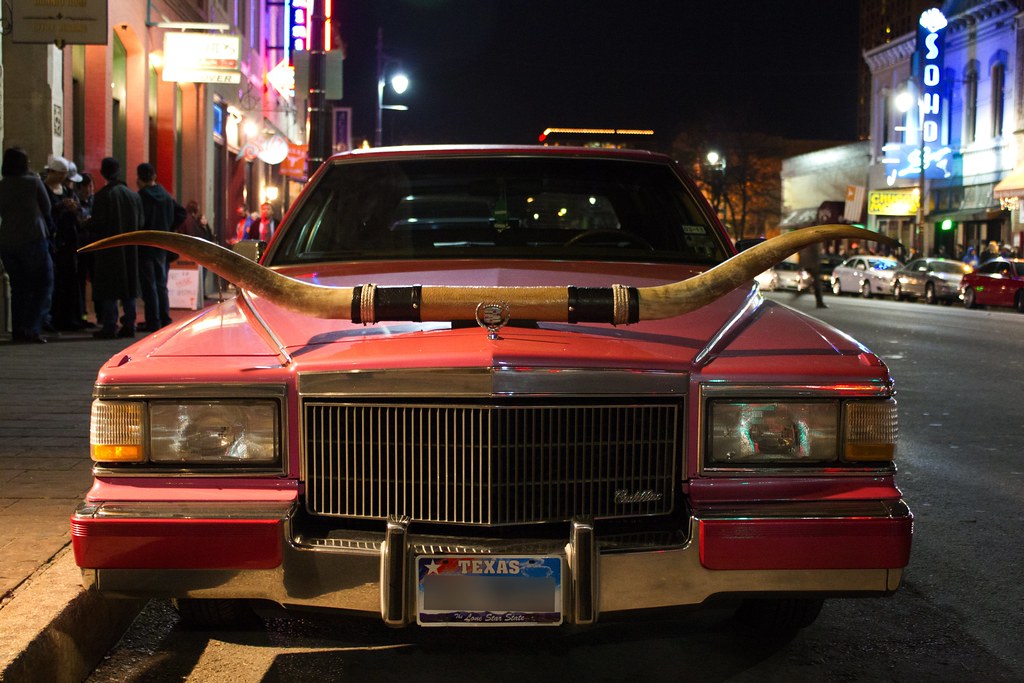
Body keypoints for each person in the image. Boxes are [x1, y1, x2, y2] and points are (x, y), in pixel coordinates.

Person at [0, 147, 54, 343]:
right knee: (43, 282)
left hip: (7, 241)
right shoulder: (33, 182)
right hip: (33, 238)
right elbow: (47, 207)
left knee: (18, 287)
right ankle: (32, 328)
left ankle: (18, 329)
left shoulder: (2, 185)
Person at [86, 157, 143, 339]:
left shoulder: (103, 196)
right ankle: (129, 324)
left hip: (109, 249)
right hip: (131, 249)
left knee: (109, 287)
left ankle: (110, 325)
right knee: (129, 287)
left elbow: (97, 224)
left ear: (103, 173)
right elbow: (141, 222)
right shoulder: (134, 196)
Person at [42, 156, 86, 331]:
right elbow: (45, 213)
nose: (64, 179)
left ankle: (70, 317)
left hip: (69, 242)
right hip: (54, 241)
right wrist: (60, 207)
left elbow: (79, 211)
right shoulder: (44, 189)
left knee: (70, 281)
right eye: (61, 175)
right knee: (54, 281)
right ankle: (52, 318)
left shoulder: (67, 191)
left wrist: (74, 208)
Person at [135, 162, 178, 331]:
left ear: (139, 178)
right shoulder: (167, 197)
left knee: (149, 284)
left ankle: (153, 320)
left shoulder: (141, 196)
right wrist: (169, 227)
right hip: (163, 245)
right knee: (161, 283)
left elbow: (139, 221)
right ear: (154, 176)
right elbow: (180, 213)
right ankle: (164, 318)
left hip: (146, 244)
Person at [796, 240, 827, 309]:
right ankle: (819, 302)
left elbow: (801, 253)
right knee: (817, 283)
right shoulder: (814, 240)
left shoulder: (807, 240)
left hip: (808, 263)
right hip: (812, 264)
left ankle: (818, 301)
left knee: (815, 282)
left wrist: (800, 265)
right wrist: (817, 264)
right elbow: (815, 253)